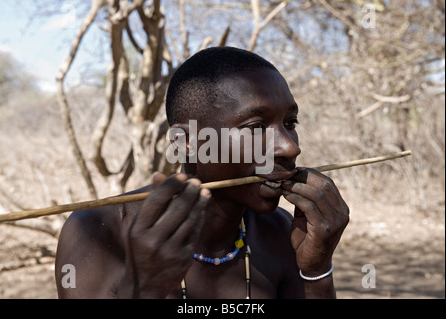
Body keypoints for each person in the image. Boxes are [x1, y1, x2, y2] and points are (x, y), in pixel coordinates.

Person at [55, 46, 349, 299]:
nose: (289, 148)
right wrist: (145, 289)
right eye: (256, 128)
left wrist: (316, 271)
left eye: (290, 123)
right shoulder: (98, 232)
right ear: (186, 143)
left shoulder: (282, 232)